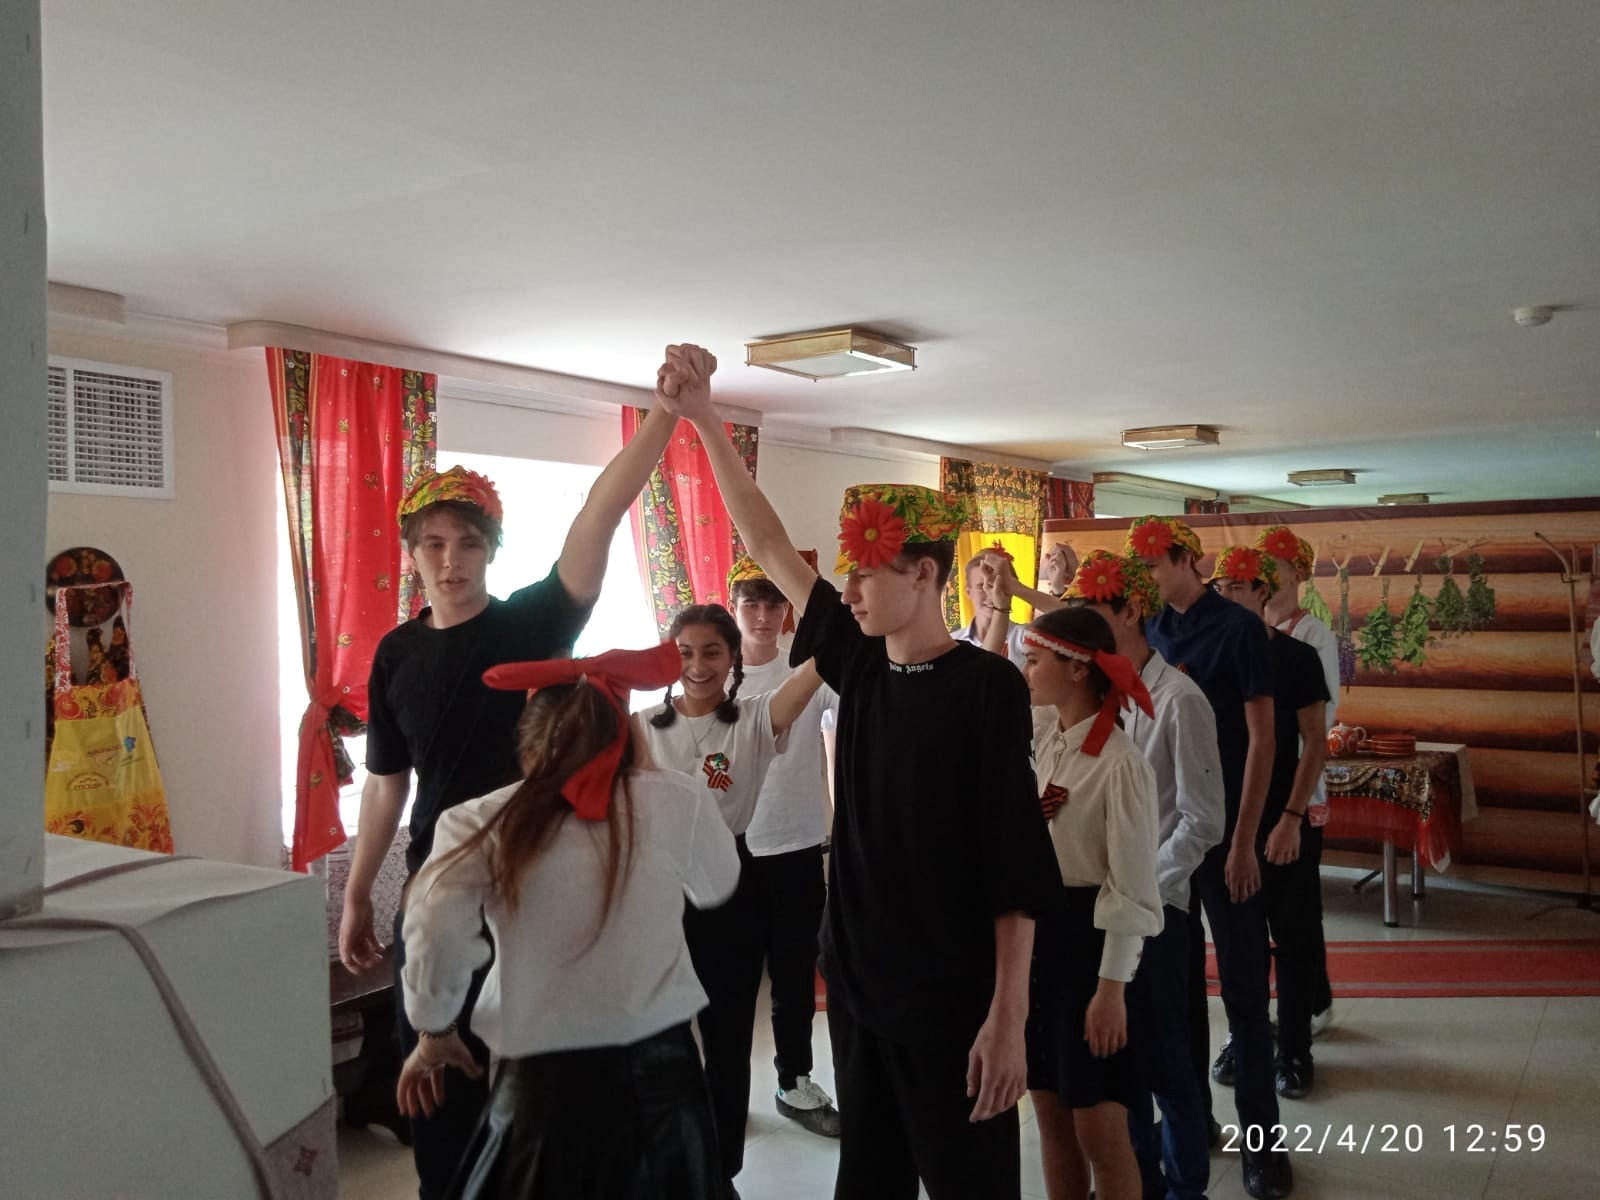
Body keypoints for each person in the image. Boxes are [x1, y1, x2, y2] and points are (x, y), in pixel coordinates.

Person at [655, 343, 1061, 1200]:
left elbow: (1014, 864)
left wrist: (1009, 1016)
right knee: (867, 1182)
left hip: (952, 994)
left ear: (925, 573)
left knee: (970, 1182)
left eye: (867, 573)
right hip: (860, 983)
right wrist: (705, 419)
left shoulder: (986, 687)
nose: (850, 590)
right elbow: (766, 542)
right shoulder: (861, 661)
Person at [342, 400, 680, 1198]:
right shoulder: (396, 654)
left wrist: (665, 415)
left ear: (491, 550)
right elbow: (387, 782)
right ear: (411, 555)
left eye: (467, 543)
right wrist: (359, 892)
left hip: (538, 887)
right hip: (438, 883)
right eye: (433, 544)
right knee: (440, 1097)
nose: (450, 559)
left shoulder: (531, 623)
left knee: (541, 1105)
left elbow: (599, 515)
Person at [397, 641, 738, 1199]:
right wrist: (653, 774)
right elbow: (717, 885)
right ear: (626, 733)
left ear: (528, 742)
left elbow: (433, 930)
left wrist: (433, 1028)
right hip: (664, 1077)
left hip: (540, 1085)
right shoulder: (679, 799)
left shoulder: (479, 820)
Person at [1126, 516, 1289, 1200]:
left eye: (1153, 567)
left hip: (1227, 837)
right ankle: (1193, 1127)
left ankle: (1264, 1141)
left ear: (1186, 560)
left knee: (1245, 993)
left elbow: (1262, 739)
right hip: (1171, 840)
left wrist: (1245, 840)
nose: (1147, 582)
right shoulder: (1152, 629)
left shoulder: (1237, 628)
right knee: (1177, 997)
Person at [640, 602, 825, 1197]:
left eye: (711, 652)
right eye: (684, 653)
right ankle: (675, 1168)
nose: (697, 666)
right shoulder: (641, 727)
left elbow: (818, 666)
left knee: (726, 1040)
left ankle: (720, 1173)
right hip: (659, 894)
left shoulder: (753, 720)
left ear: (732, 656)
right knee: (665, 1042)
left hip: (731, 888)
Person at [1067, 549, 1224, 1200]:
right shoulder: (1092, 696)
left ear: (1132, 610)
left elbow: (1202, 820)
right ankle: (1137, 1180)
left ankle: (1187, 1185)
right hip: (1096, 910)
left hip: (1156, 911)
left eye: (1093, 614)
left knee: (1166, 1063)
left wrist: (1139, 887)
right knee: (1116, 1061)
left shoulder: (1180, 699)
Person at [994, 599, 1163, 1200]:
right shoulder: (1047, 738)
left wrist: (1111, 991)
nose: (1026, 672)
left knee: (1100, 1129)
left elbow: (1132, 887)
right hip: (1040, 946)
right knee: (1050, 1117)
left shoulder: (1120, 766)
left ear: (1077, 669)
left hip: (1091, 953)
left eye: (1035, 661)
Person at [727, 555, 843, 1137]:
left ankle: (793, 1082)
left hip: (795, 846)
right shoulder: (712, 676)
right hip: (727, 852)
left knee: (794, 977)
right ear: (733, 607)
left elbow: (856, 698)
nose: (764, 615)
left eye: (774, 603)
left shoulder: (806, 669)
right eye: (752, 603)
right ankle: (724, 1095)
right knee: (730, 981)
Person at [1209, 548, 1329, 1100]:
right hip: (1225, 829)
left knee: (1294, 939)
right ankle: (1244, 1038)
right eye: (1221, 588)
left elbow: (1314, 744)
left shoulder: (1297, 657)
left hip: (1284, 824)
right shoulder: (1209, 658)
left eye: (1238, 587)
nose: (1227, 597)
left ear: (1262, 593)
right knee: (1240, 947)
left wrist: (1291, 819)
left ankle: (1296, 1049)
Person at [1256, 527, 1337, 1036]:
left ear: (1297, 573)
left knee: (1297, 909)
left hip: (1298, 790)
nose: (1266, 573)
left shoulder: (1312, 635)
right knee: (1267, 912)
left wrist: (1296, 797)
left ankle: (1309, 1006)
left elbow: (1320, 723)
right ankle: (1308, 999)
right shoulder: (1250, 633)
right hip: (1256, 791)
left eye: (1276, 564)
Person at [951, 550, 1030, 667]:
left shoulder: (1027, 637)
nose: (991, 594)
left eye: (999, 585)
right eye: (981, 587)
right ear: (968, 592)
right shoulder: (952, 643)